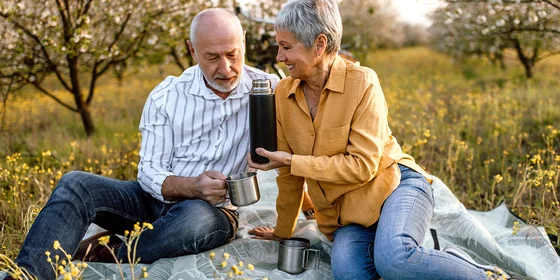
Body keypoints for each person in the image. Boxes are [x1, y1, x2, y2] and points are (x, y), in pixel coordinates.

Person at [247, 0, 512, 279]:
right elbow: (290, 174)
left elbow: (362, 166)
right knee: (350, 274)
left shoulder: (363, 82)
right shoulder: (283, 94)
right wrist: (282, 232)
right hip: (348, 216)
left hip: (396, 187)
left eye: (286, 47)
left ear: (320, 44)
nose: (279, 57)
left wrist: (293, 161)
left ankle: (486, 276)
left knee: (394, 259)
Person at [7, 8, 278, 280]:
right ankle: (27, 276)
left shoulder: (269, 88)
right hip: (151, 201)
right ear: (193, 51)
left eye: (232, 54)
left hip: (213, 213)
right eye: (212, 57)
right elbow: (149, 171)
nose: (226, 68)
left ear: (243, 41)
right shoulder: (167, 95)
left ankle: (110, 250)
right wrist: (194, 186)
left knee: (196, 220)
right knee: (75, 184)